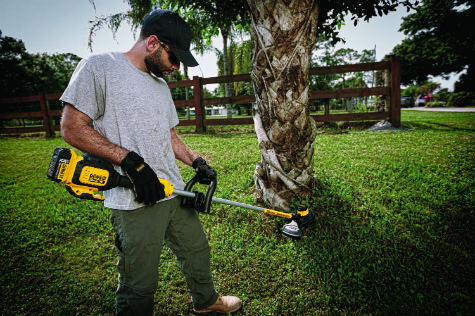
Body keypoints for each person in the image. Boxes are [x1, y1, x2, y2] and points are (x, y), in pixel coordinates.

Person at [60, 9, 242, 315]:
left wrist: (197, 161)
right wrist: (130, 162)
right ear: (153, 42)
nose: (176, 67)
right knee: (139, 281)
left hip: (173, 190)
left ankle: (207, 301)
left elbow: (168, 135)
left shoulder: (160, 85)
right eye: (174, 59)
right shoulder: (99, 66)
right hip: (134, 199)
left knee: (197, 251)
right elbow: (72, 127)